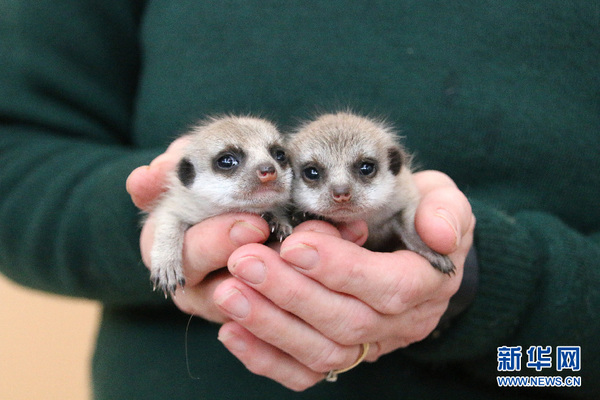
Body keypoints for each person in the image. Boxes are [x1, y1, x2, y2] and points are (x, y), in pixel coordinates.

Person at [0, 1, 597, 399]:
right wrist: (159, 238)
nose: (337, 193)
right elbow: (16, 157)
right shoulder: (242, 204)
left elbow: (574, 366)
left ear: (395, 168)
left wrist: (508, 303)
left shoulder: (390, 204)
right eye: (311, 174)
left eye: (363, 173)